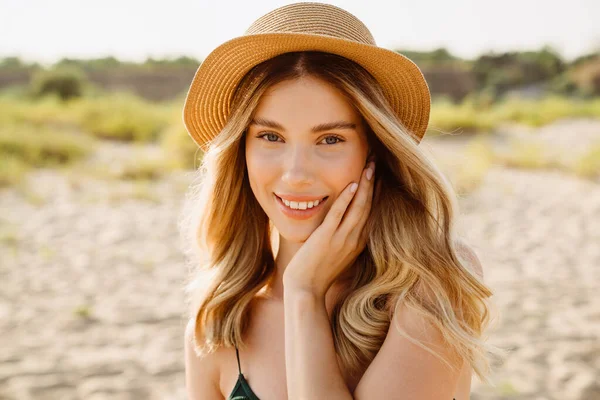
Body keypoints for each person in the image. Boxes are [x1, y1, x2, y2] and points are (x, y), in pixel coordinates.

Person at [180, 3, 499, 399]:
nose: (295, 173)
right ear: (241, 150)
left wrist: (305, 295)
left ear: (374, 150)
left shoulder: (428, 282)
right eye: (270, 137)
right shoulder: (220, 316)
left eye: (330, 139)